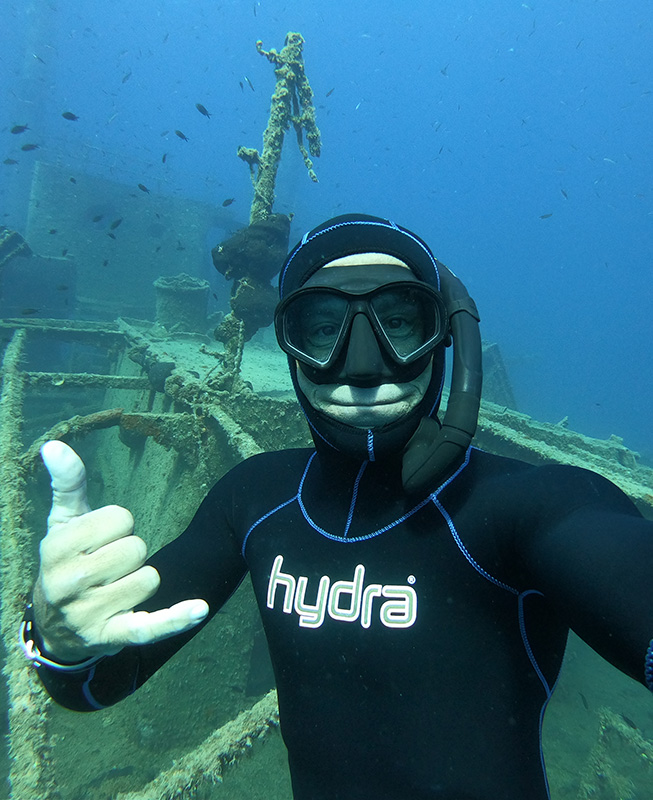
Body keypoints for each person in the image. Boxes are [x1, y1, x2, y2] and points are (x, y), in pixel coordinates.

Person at [21, 214, 653, 800]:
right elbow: (93, 684)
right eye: (324, 329)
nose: (363, 366)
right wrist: (59, 637)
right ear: (290, 346)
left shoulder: (536, 506)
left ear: (447, 335)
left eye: (398, 323)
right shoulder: (255, 497)